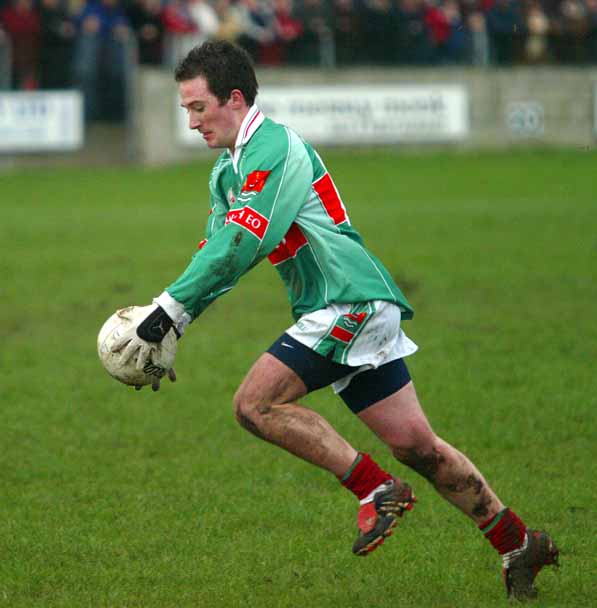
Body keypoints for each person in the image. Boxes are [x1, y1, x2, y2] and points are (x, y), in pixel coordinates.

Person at [112, 40, 559, 600]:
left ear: (234, 98)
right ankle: (519, 542)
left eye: (198, 107)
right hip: (343, 308)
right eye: (185, 111)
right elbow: (218, 252)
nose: (192, 121)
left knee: (255, 404)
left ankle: (375, 490)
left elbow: (248, 239)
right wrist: (174, 323)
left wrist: (167, 309)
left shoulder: (274, 147)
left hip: (348, 301)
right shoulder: (227, 174)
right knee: (418, 447)